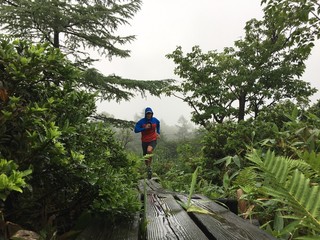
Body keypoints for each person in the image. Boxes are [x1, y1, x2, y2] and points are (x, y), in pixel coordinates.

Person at [134, 107, 160, 179]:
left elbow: (158, 124)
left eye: (150, 113)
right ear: (145, 114)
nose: (149, 115)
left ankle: (149, 166)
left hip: (153, 139)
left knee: (149, 150)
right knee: (145, 157)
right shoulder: (141, 122)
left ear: (152, 114)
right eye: (148, 114)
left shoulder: (155, 120)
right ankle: (148, 168)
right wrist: (144, 128)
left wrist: (158, 132)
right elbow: (136, 130)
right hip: (144, 141)